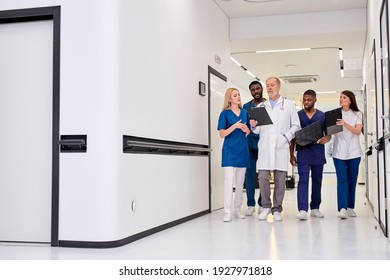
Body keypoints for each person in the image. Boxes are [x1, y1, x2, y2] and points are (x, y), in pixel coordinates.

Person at [250, 77, 300, 221]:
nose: (269, 88)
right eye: (267, 86)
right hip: (265, 147)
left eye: (272, 85)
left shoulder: (289, 105)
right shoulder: (260, 107)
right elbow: (257, 131)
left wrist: (286, 137)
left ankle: (277, 209)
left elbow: (296, 125)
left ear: (278, 87)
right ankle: (266, 207)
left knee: (280, 179)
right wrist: (253, 125)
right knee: (263, 177)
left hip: (281, 146)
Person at [289, 89, 331, 220]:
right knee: (303, 180)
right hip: (303, 152)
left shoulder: (322, 116)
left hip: (318, 152)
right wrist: (291, 154)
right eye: (304, 100)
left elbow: (328, 134)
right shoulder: (298, 115)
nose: (306, 102)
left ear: (315, 100)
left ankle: (315, 208)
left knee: (317, 180)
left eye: (309, 100)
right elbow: (293, 137)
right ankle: (302, 209)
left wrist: (326, 139)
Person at [217, 88, 250, 222]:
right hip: (229, 151)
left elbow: (248, 133)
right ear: (229, 99)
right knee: (229, 182)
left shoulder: (245, 113)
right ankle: (227, 211)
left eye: (238, 95)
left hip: (242, 150)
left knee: (240, 183)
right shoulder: (224, 114)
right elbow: (222, 134)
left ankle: (237, 209)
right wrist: (235, 126)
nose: (238, 97)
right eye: (235, 95)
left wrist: (245, 128)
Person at [332, 90, 363, 219]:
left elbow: (357, 131)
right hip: (339, 152)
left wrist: (345, 124)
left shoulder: (358, 114)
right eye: (340, 97)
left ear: (350, 100)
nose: (341, 99)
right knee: (342, 179)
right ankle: (342, 208)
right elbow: (332, 132)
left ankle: (350, 207)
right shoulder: (335, 114)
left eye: (344, 97)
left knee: (352, 180)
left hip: (354, 152)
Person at [242, 81, 265, 216]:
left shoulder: (267, 105)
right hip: (249, 144)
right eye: (253, 90)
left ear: (261, 89)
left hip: (263, 144)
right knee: (249, 174)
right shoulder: (246, 107)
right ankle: (250, 204)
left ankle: (262, 203)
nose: (255, 91)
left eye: (257, 88)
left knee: (263, 175)